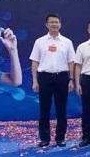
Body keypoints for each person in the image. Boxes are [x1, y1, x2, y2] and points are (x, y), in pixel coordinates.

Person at [29, 14, 75, 147]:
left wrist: (71, 79)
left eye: (56, 22)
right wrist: (35, 80)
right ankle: (44, 138)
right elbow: (35, 62)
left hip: (62, 77)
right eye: (51, 22)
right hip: (45, 78)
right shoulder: (40, 42)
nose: (54, 24)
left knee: (61, 109)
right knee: (44, 109)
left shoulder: (67, 42)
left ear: (60, 24)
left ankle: (60, 137)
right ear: (46, 25)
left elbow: (71, 62)